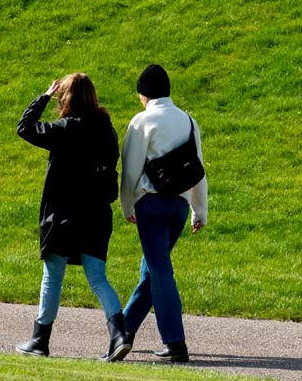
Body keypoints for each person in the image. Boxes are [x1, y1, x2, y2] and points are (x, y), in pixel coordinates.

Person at [14, 73, 131, 362]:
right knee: (98, 278)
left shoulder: (65, 129)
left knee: (53, 278)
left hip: (63, 216)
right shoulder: (107, 130)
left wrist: (43, 96)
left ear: (65, 98)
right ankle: (119, 335)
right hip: (96, 214)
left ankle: (40, 340)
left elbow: (25, 128)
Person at [118, 64, 208, 363]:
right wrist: (200, 209)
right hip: (179, 207)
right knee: (152, 270)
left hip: (151, 205)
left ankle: (175, 342)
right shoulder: (189, 121)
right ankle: (124, 330)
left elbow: (131, 169)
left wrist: (127, 204)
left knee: (160, 272)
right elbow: (197, 170)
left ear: (143, 93)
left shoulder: (142, 121)